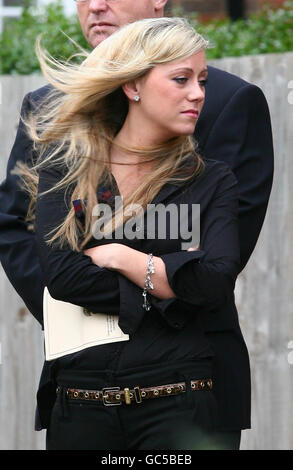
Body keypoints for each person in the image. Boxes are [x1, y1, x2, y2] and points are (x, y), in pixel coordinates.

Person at [0, 0, 274, 450]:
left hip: (192, 379)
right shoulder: (47, 106)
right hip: (83, 379)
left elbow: (216, 266)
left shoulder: (227, 102)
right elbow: (21, 232)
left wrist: (122, 271)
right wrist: (82, 306)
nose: (96, 4)